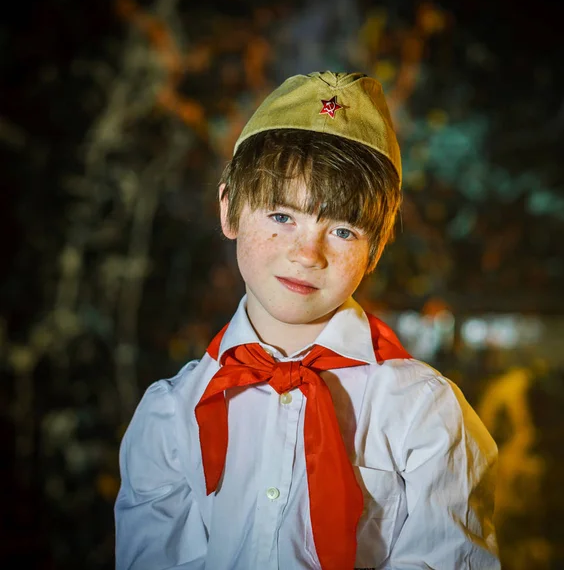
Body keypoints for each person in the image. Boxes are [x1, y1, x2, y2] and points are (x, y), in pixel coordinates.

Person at [114, 71, 500, 570]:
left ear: (376, 250)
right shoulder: (170, 415)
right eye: (281, 217)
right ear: (230, 209)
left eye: (342, 229)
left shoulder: (425, 414)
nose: (306, 254)